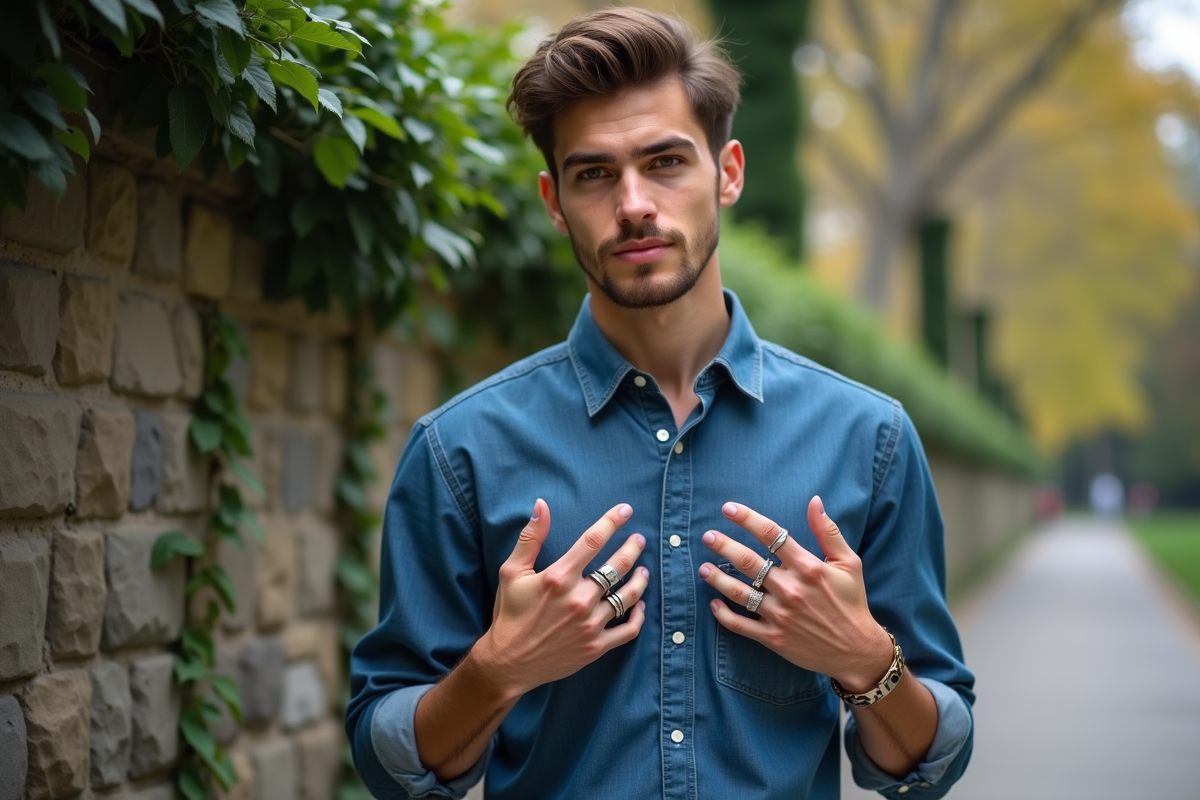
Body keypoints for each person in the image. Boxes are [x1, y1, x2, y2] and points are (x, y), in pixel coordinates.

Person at [345, 8, 974, 799]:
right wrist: (497, 670)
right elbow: (388, 762)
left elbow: (932, 760)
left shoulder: (868, 437)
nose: (634, 203)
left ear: (728, 173)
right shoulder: (460, 448)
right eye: (593, 174)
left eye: (666, 161)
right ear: (553, 201)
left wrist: (864, 660)